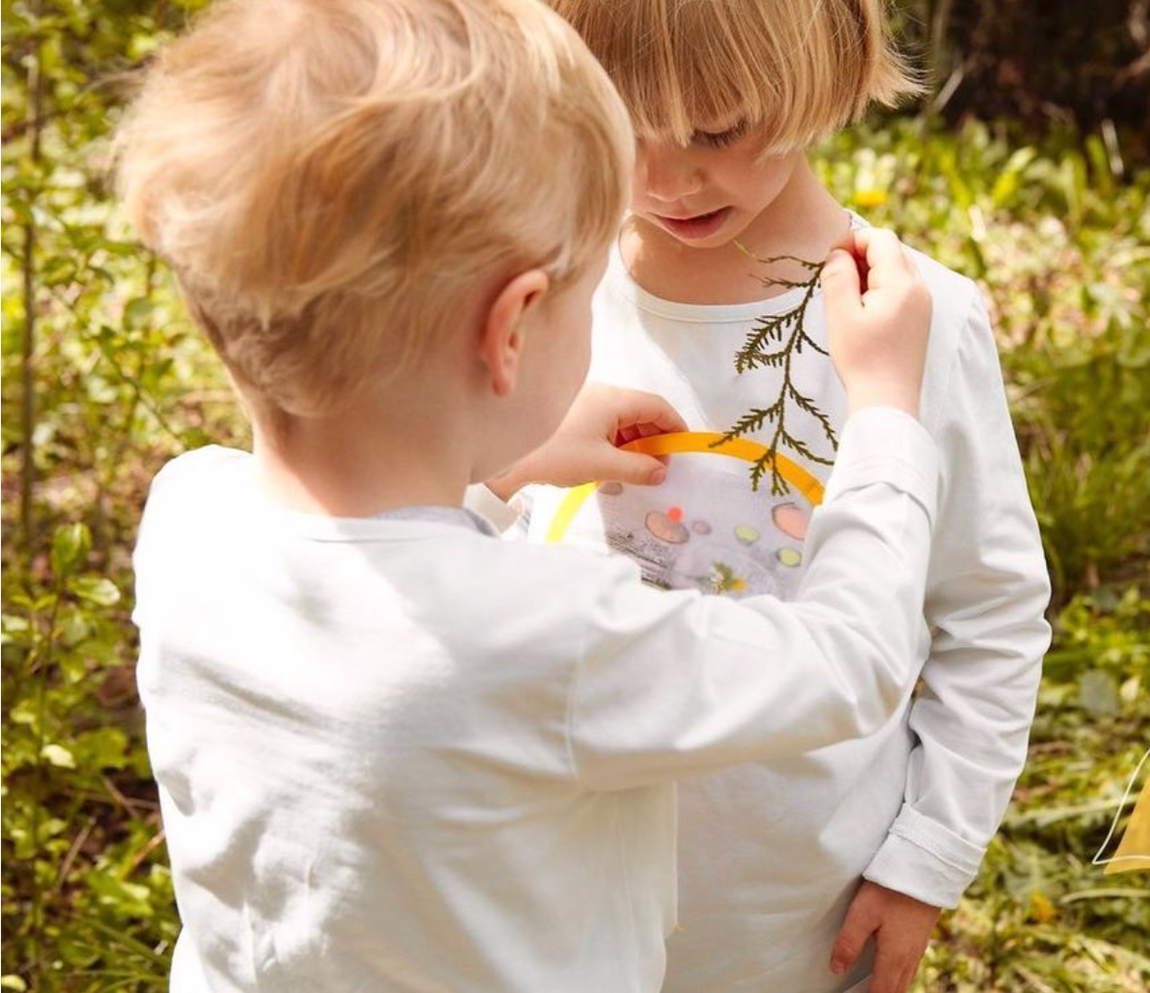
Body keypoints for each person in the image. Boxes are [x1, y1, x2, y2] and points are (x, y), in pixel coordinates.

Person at [118, 0, 943, 988]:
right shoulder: (549, 638)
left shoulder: (187, 518)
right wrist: (887, 409)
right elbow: (846, 665)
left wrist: (510, 469)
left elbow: (377, 579)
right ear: (511, 328)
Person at [538, 2, 1055, 990]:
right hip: (555, 897)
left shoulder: (912, 323)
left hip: (795, 916)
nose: (663, 177)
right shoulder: (546, 287)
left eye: (717, 129)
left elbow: (985, 614)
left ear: (826, 62)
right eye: (617, 122)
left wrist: (924, 863)